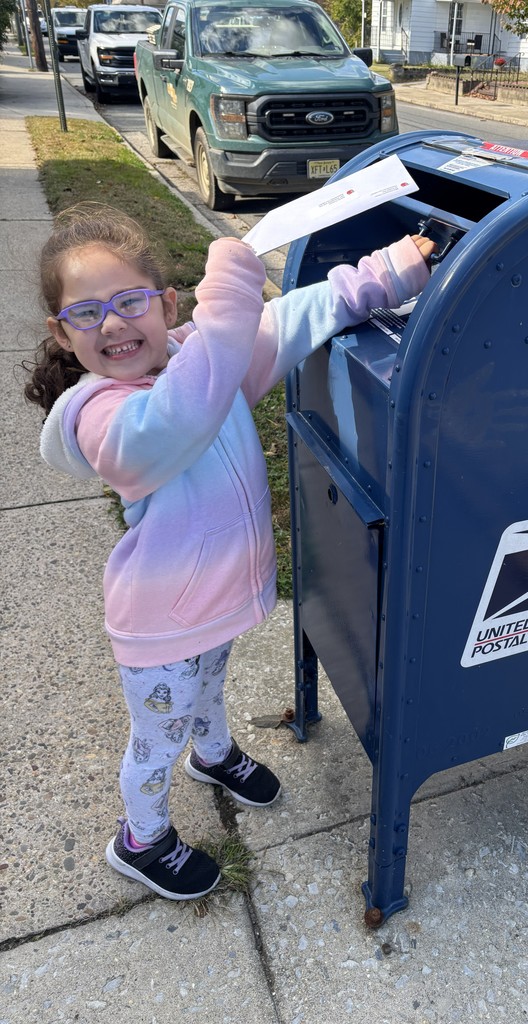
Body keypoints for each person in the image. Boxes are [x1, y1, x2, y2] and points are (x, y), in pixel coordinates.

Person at [24, 203, 435, 901]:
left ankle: (213, 757)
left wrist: (387, 273)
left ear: (166, 304)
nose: (115, 325)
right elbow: (182, 413)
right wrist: (233, 289)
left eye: (131, 302)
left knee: (210, 690)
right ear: (61, 335)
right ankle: (141, 839)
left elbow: (286, 322)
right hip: (162, 624)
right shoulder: (106, 417)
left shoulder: (196, 361)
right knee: (157, 737)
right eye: (87, 313)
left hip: (209, 606)